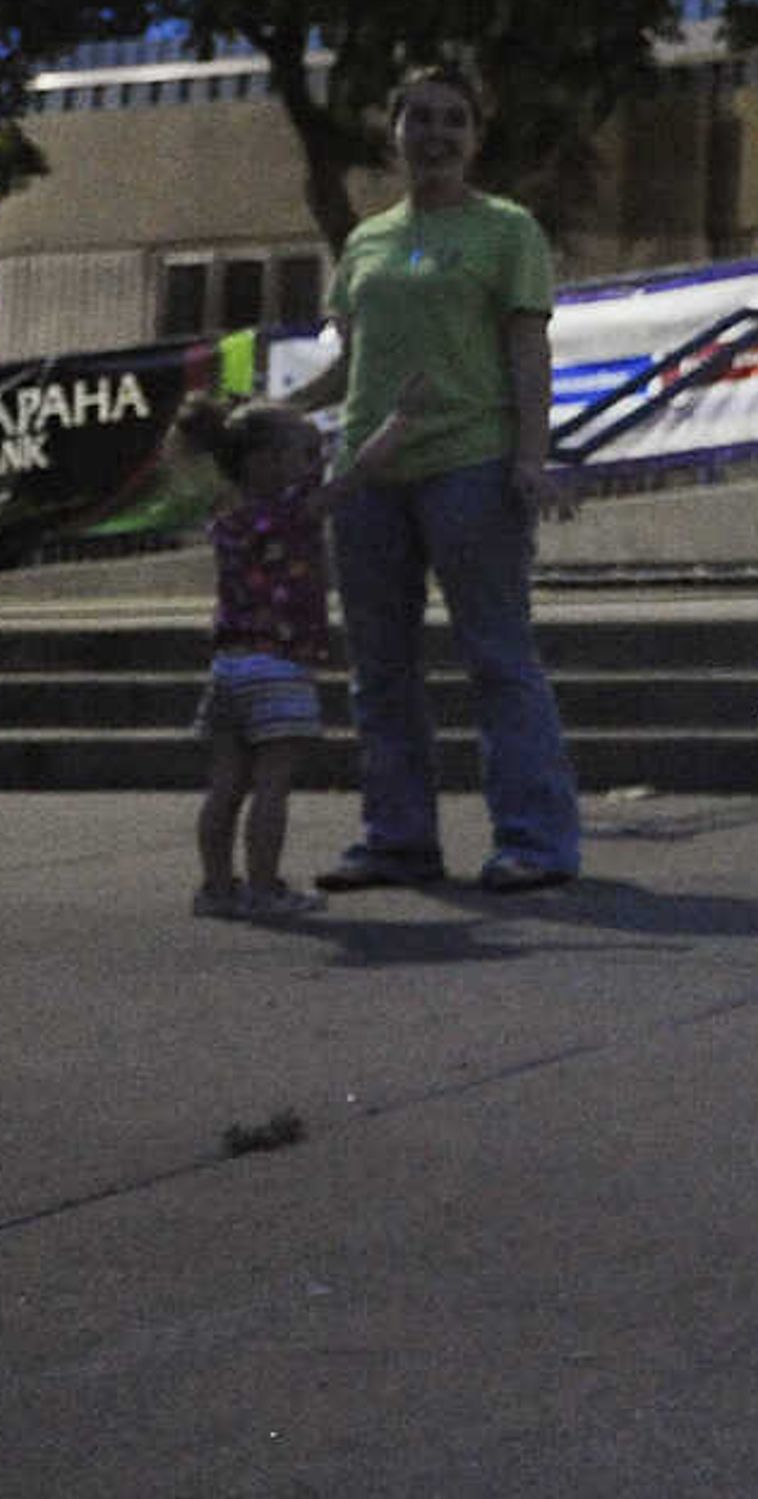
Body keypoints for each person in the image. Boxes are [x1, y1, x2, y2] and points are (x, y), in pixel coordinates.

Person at [277, 65, 582, 895]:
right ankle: (398, 838)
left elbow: (528, 349)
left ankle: (535, 840)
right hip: (368, 477)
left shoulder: (506, 230)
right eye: (422, 119)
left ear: (475, 138)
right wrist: (276, 411)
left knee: (497, 655)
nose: (437, 134)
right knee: (380, 665)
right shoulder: (367, 241)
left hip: (471, 467)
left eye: (455, 120)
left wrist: (530, 455)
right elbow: (352, 366)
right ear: (396, 131)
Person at [171, 389, 410, 918]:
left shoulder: (227, 517)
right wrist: (398, 420)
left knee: (225, 786)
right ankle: (263, 889)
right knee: (272, 786)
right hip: (279, 665)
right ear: (270, 462)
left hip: (229, 664)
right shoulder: (291, 514)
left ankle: (215, 889)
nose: (316, 464)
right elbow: (360, 474)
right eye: (306, 454)